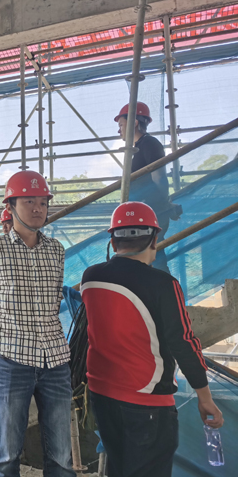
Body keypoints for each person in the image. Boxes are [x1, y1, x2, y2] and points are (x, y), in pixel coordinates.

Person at [81, 201, 224, 477]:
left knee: (118, 468)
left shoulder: (91, 278)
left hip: (101, 395)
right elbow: (183, 342)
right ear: (154, 239)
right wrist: (204, 397)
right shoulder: (164, 284)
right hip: (147, 403)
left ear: (113, 240)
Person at [0, 171, 75, 477]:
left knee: (61, 454)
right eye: (29, 201)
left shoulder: (56, 250)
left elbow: (55, 296)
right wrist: (16, 322)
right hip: (13, 360)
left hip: (55, 360)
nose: (37, 208)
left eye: (42, 202)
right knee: (8, 454)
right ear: (11, 206)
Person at [115, 102, 179, 273]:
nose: (119, 130)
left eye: (121, 125)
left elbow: (159, 178)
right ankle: (159, 286)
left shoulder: (149, 143)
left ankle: (165, 288)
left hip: (151, 211)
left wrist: (165, 204)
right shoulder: (137, 148)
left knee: (153, 255)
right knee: (148, 256)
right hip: (144, 211)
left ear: (134, 122)